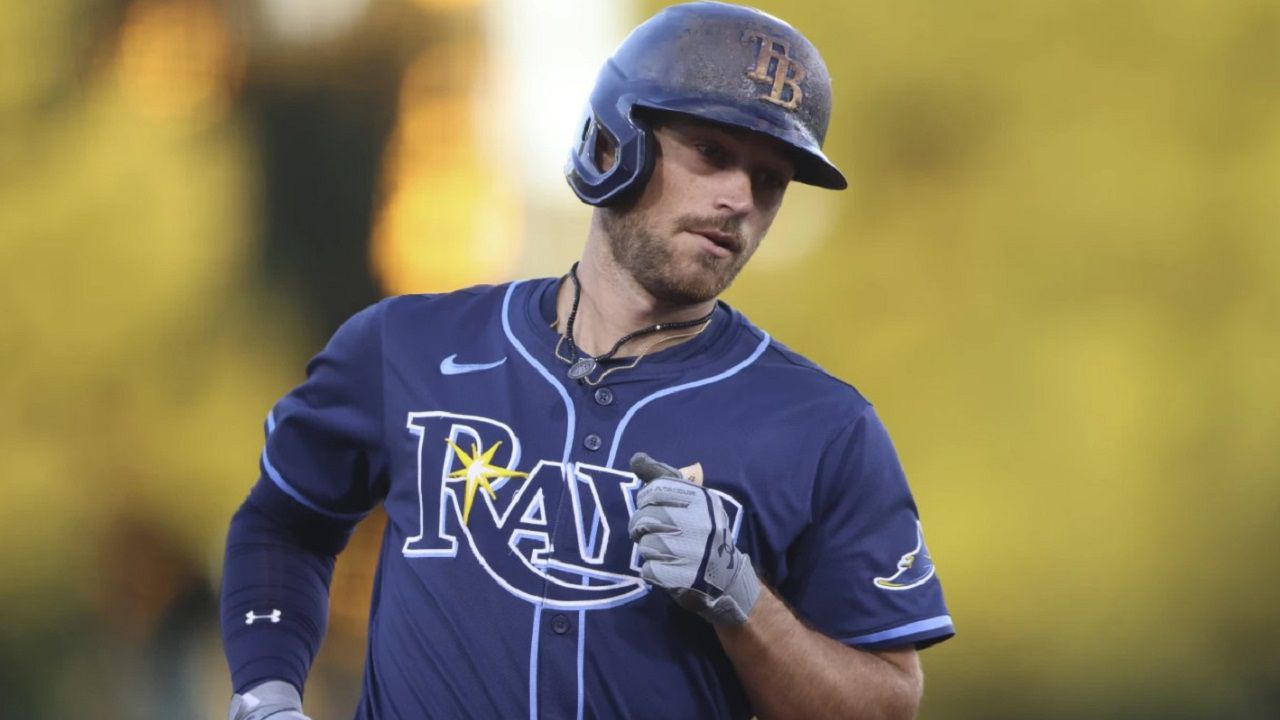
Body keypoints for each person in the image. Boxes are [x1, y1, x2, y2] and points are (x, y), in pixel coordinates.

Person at [220, 3, 953, 719]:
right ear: (615, 143)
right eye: (713, 154)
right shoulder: (406, 347)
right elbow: (284, 524)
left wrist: (744, 601)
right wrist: (267, 691)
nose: (739, 198)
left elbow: (887, 701)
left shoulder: (824, 427)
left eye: (769, 180)